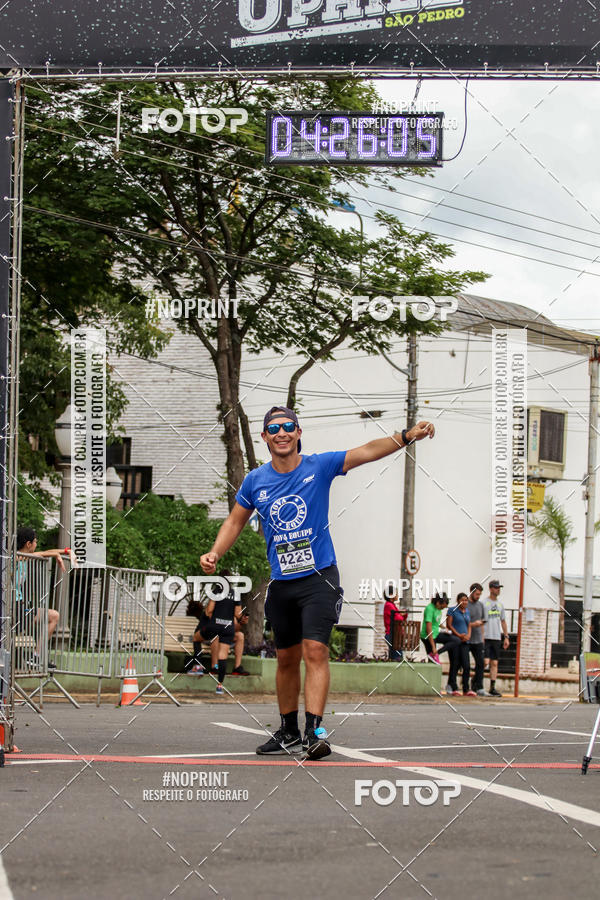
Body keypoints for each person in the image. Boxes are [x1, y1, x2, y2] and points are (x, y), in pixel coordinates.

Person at [200, 405, 435, 760]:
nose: (281, 432)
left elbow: (367, 451)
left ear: (298, 433)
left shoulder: (319, 466)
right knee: (285, 659)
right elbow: (235, 521)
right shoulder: (255, 480)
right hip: (282, 584)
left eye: (288, 426)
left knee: (315, 651)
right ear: (264, 436)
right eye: (273, 428)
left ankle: (314, 731)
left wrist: (406, 436)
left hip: (319, 577)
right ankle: (288, 730)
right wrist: (215, 552)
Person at [15, 526, 69, 669]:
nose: (36, 544)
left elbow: (46, 552)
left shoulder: (25, 557)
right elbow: (44, 553)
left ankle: (36, 656)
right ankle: (33, 656)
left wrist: (65, 552)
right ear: (28, 544)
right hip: (14, 609)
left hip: (20, 606)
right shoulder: (15, 557)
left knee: (53, 616)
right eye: (35, 541)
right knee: (51, 616)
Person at [197, 574, 244, 695]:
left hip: (214, 626)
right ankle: (219, 685)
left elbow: (209, 611)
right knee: (223, 655)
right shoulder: (235, 593)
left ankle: (199, 665)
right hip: (227, 628)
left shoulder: (216, 591)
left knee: (196, 638)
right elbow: (238, 614)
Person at [483, 579, 510, 697]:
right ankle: (476, 682)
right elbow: (481, 621)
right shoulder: (484, 603)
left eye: (499, 588)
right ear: (490, 588)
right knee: (485, 662)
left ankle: (492, 687)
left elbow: (503, 621)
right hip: (486, 636)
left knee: (494, 663)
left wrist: (506, 637)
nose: (498, 590)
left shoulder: (500, 605)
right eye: (495, 587)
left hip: (496, 637)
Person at [446, 593, 476, 696]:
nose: (465, 602)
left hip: (465, 642)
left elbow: (469, 625)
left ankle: (466, 688)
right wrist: (459, 635)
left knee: (466, 665)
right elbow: (449, 625)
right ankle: (452, 686)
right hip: (455, 641)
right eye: (463, 600)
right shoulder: (452, 610)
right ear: (458, 601)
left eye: (466, 600)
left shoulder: (467, 612)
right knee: (455, 664)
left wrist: (468, 636)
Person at [420, 593, 460, 665]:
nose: (442, 609)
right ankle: (433, 655)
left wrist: (444, 628)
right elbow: (428, 628)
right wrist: (433, 647)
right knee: (432, 662)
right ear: (438, 603)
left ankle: (435, 654)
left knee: (456, 640)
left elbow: (437, 622)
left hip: (435, 634)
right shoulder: (430, 609)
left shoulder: (438, 609)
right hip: (428, 636)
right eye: (442, 607)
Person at [467, 582, 488, 697]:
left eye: (480, 594)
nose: (478, 596)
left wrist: (483, 638)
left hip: (478, 639)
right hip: (467, 638)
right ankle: (466, 687)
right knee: (465, 664)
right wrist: (472, 624)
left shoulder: (480, 605)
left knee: (481, 663)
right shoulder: (465, 604)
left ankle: (478, 685)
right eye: (476, 594)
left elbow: (482, 623)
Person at [383, 584, 404, 661]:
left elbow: (400, 617)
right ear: (391, 595)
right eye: (396, 593)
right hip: (392, 635)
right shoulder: (389, 605)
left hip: (395, 635)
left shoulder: (392, 605)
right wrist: (401, 614)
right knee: (397, 658)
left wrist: (403, 614)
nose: (398, 595)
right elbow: (398, 618)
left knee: (396, 657)